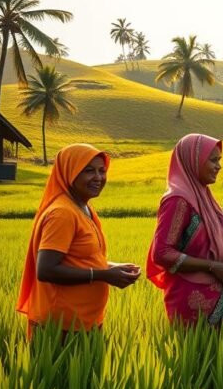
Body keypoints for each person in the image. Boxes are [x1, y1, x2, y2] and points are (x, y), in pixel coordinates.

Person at [16, 144, 140, 339]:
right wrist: (103, 275)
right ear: (69, 172)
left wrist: (111, 268)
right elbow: (46, 270)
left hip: (82, 322)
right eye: (89, 171)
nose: (98, 177)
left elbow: (78, 259)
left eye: (102, 170)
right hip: (61, 327)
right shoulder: (62, 214)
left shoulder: (82, 207)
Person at [147, 134, 223, 328]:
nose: (219, 166)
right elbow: (162, 253)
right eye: (213, 160)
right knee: (196, 355)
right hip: (192, 300)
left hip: (219, 292)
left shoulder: (203, 196)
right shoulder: (178, 201)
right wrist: (212, 266)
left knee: (221, 356)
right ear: (194, 160)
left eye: (219, 160)